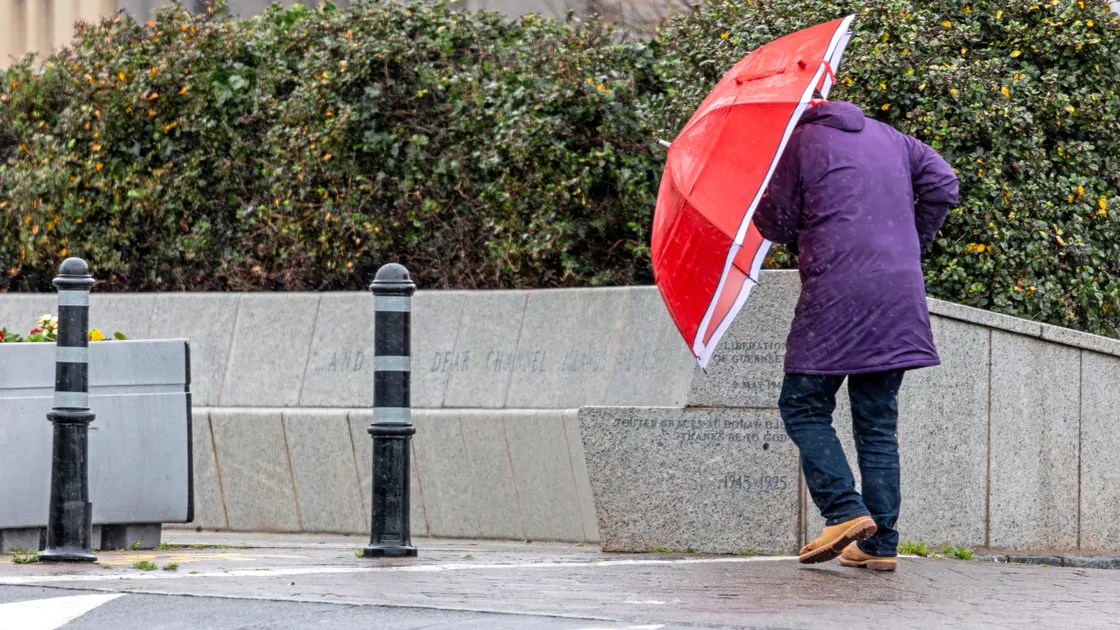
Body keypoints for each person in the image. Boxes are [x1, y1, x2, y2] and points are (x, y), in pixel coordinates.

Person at [753, 98, 959, 572]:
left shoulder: (799, 143)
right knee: (877, 424)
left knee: (802, 405)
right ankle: (880, 545)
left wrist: (764, 188)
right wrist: (913, 241)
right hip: (898, 294)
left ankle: (844, 510)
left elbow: (778, 225)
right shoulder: (892, 137)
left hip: (836, 291)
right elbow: (943, 181)